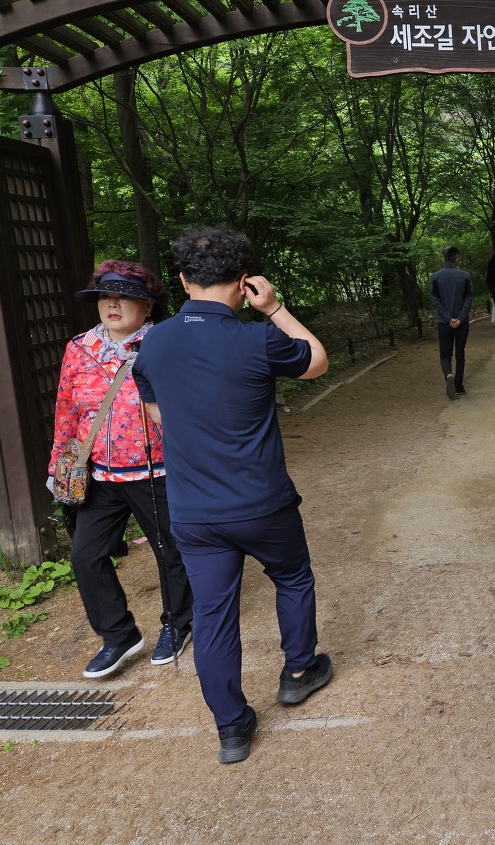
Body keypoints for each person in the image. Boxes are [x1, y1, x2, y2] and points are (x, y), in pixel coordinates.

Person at [133, 225, 332, 765]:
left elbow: (158, 414)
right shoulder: (256, 338)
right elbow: (316, 361)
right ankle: (298, 671)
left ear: (182, 280)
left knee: (213, 614)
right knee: (292, 576)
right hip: (263, 502)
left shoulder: (154, 343)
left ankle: (232, 727)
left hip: (194, 511)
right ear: (244, 280)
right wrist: (274, 308)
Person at [48, 260, 194, 679]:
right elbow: (66, 410)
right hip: (99, 475)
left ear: (147, 307)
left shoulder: (164, 344)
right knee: (86, 556)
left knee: (171, 550)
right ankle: (118, 634)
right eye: (106, 297)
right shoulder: (79, 348)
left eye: (125, 297)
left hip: (157, 469)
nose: (113, 304)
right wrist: (59, 466)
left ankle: (179, 622)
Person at [429, 245, 474, 398]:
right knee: (460, 353)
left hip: (443, 322)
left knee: (445, 354)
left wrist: (448, 317)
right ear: (457, 259)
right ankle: (459, 385)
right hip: (462, 322)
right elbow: (468, 298)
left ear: (443, 258)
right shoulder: (465, 276)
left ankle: (448, 373)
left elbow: (435, 299)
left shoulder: (435, 277)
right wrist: (460, 318)